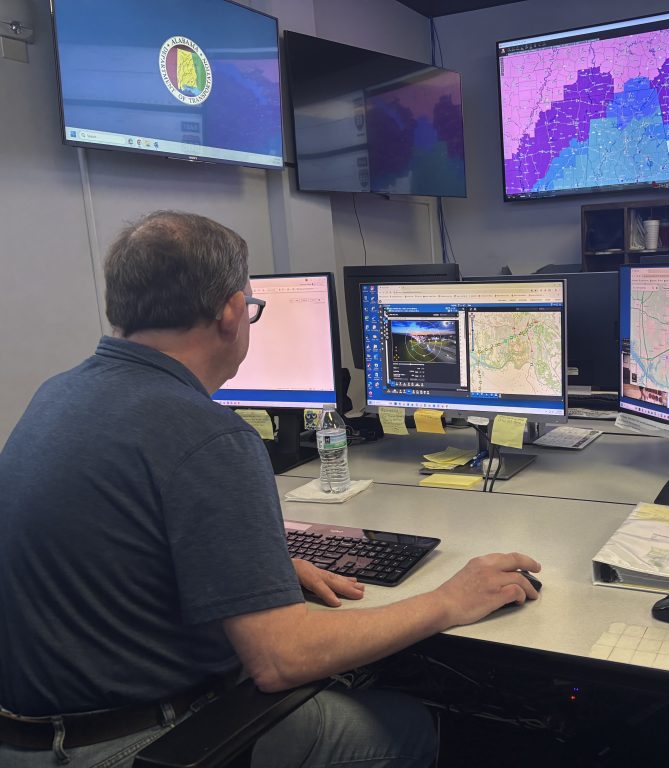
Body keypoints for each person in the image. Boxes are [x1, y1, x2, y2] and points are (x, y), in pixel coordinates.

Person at [0, 211, 542, 767]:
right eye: (252, 308)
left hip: (29, 737)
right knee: (411, 725)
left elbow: (119, 552)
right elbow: (282, 660)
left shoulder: (59, 394)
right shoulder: (207, 435)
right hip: (141, 744)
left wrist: (257, 569)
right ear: (234, 312)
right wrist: (448, 601)